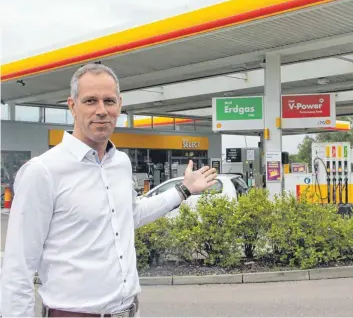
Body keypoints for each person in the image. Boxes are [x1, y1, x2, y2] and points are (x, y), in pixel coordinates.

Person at [0, 63, 217, 317]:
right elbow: (18, 268)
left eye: (109, 101)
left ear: (119, 105)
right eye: (91, 101)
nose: (101, 111)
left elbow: (131, 214)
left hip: (127, 311)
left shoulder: (121, 163)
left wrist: (183, 190)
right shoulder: (43, 172)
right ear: (72, 106)